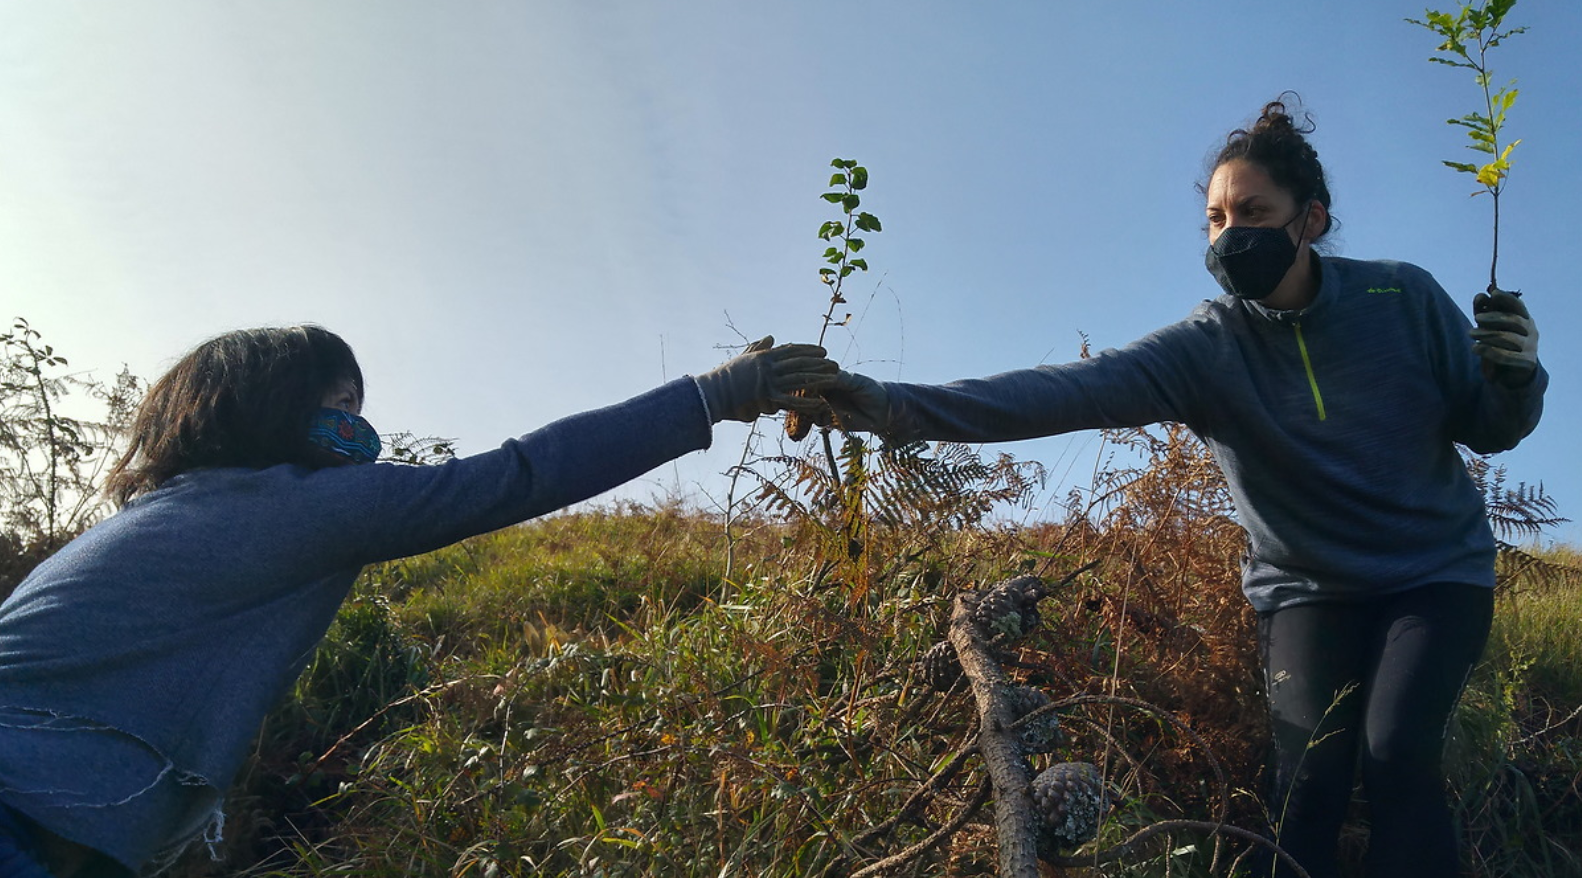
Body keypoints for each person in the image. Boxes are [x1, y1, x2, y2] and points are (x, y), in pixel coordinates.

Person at [816, 99, 1546, 878]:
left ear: (1312, 220)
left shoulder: (1400, 297)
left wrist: (1517, 373)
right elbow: (1061, 391)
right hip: (1306, 590)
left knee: (1397, 756)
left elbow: (1492, 425)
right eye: (1215, 219)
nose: (1231, 234)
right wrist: (887, 406)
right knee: (1305, 787)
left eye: (1253, 211)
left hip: (1432, 575)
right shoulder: (1207, 347)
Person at [0, 325, 837, 877]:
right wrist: (717, 395)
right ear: (266, 409)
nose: (357, 429)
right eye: (336, 406)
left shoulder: (170, 507)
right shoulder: (286, 504)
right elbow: (515, 477)